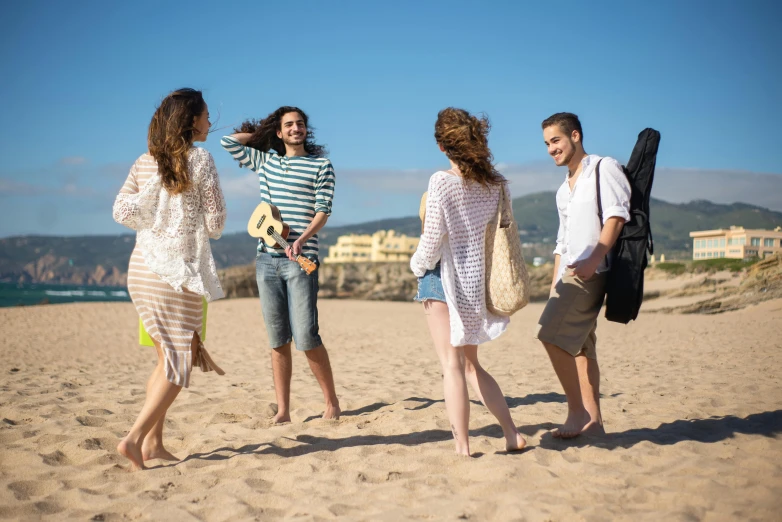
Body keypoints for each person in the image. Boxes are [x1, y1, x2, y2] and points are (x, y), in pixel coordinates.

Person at [112, 88, 227, 470]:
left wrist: (155, 212)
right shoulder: (202, 158)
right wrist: (179, 216)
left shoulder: (144, 161)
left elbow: (121, 211)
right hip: (177, 273)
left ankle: (154, 445)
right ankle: (133, 439)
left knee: (165, 359)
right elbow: (215, 224)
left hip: (142, 269)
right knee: (179, 363)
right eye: (207, 116)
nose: (210, 122)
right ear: (191, 120)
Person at [410, 107, 526, 457]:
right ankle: (511, 434)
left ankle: (462, 446)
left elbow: (431, 242)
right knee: (473, 366)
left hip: (442, 279)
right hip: (475, 282)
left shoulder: (441, 181)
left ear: (443, 147)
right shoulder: (495, 184)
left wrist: (415, 267)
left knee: (451, 367)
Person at [221, 107, 340, 422]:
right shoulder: (267, 161)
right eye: (289, 124)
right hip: (266, 261)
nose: (296, 128)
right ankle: (284, 411)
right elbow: (228, 142)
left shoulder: (321, 165)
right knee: (277, 339)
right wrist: (263, 131)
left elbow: (323, 210)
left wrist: (302, 239)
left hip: (302, 260)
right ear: (279, 131)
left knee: (306, 336)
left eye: (300, 123)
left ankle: (331, 403)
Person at [535, 112, 631, 438]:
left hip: (594, 270)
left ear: (575, 136)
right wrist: (554, 283)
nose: (551, 148)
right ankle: (594, 423)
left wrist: (595, 258)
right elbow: (562, 241)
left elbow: (617, 216)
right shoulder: (564, 190)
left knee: (550, 334)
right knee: (580, 348)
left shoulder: (605, 168)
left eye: (556, 140)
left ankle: (576, 413)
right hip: (570, 274)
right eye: (547, 143)